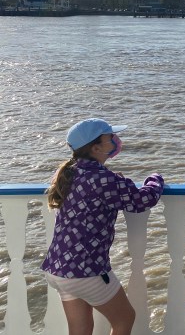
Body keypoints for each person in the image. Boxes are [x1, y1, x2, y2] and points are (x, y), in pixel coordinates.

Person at [42, 118, 165, 335]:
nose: (116, 140)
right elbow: (142, 200)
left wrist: (117, 181)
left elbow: (98, 191)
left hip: (59, 268)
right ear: (96, 148)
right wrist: (156, 179)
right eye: (111, 137)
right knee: (125, 319)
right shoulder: (103, 179)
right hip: (86, 270)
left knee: (80, 329)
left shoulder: (70, 173)